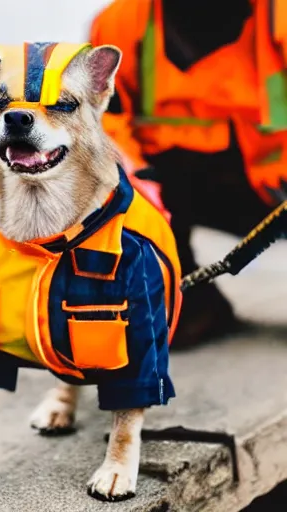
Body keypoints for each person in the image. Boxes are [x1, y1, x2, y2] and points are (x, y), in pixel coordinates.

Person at [90, 0, 287, 349]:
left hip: (277, 187)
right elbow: (103, 123)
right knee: (101, 183)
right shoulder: (121, 24)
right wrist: (132, 180)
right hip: (172, 190)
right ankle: (188, 304)